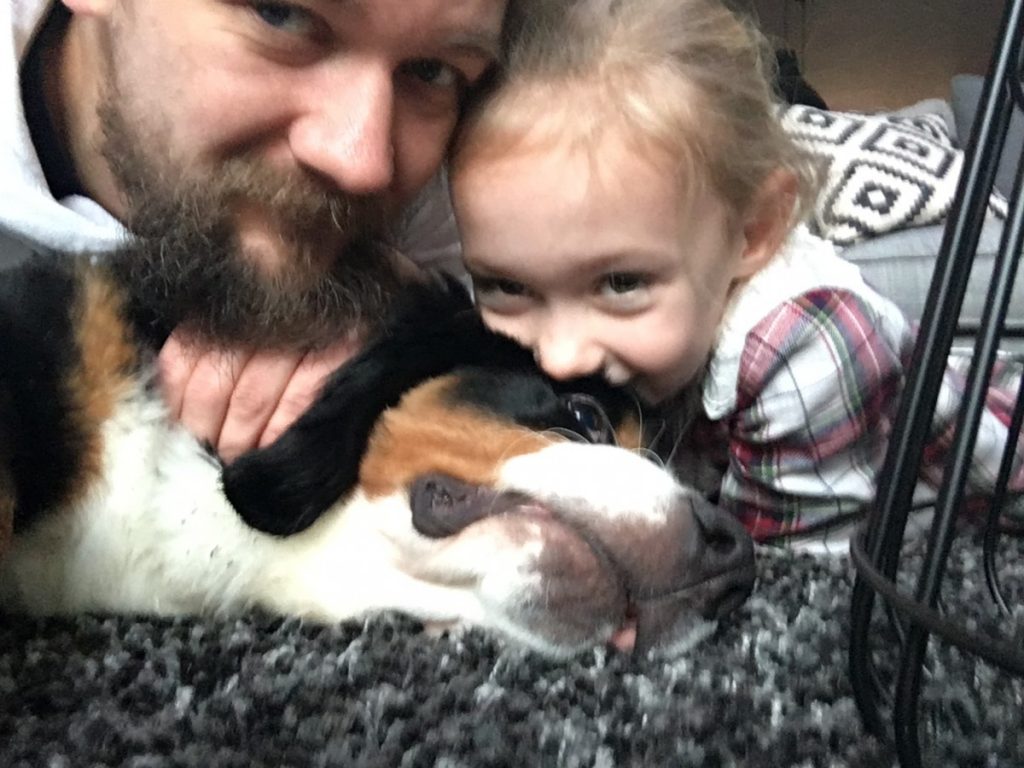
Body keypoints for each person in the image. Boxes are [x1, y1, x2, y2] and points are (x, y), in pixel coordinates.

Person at [447, 0, 1024, 550]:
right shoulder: (611, 346)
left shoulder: (806, 348)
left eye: (621, 283)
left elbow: (789, 579)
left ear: (754, 231)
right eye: (506, 286)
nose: (558, 357)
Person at [2, 0, 523, 463]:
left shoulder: (468, 181)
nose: (361, 163)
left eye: (430, 72)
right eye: (282, 15)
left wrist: (406, 317)